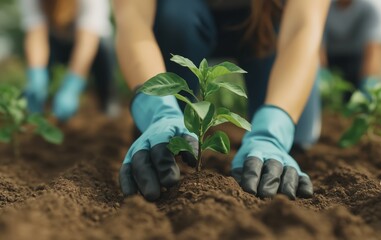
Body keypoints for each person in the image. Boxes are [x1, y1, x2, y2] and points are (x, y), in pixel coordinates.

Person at [114, 0, 330, 201]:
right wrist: (157, 108)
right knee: (176, 17)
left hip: (266, 23)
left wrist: (275, 127)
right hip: (185, 18)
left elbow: (304, 25)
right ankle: (168, 124)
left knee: (297, 140)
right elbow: (132, 17)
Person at [20, 0, 117, 121]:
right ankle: (40, 103)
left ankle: (107, 102)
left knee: (105, 47)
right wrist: (36, 74)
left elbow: (87, 41)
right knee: (39, 72)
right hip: (55, 41)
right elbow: (36, 33)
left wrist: (72, 84)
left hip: (91, 42)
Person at [321, 0, 381, 97]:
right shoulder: (325, 9)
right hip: (330, 61)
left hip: (358, 62)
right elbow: (317, 45)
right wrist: (321, 72)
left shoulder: (368, 10)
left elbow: (375, 49)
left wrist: (369, 80)